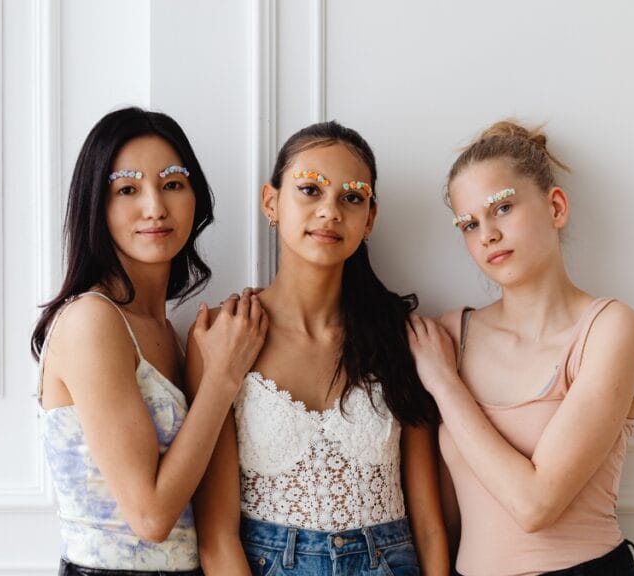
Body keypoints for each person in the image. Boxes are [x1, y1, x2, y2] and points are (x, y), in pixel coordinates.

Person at [189, 121, 448, 575]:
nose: (330, 212)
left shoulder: (399, 337)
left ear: (369, 218)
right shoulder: (223, 336)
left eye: (351, 197)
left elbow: (427, 523)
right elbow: (216, 535)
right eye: (310, 190)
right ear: (272, 202)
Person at [31, 107, 267, 575]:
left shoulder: (166, 328)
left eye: (173, 183)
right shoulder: (91, 321)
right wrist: (222, 377)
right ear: (96, 206)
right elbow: (151, 516)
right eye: (128, 189)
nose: (155, 207)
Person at [406, 120, 634, 575]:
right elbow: (445, 514)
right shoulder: (448, 336)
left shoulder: (610, 329)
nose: (487, 235)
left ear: (555, 207)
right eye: (469, 224)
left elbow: (535, 505)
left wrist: (444, 384)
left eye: (503, 208)